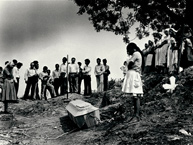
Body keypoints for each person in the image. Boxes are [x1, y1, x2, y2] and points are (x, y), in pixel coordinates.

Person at [122, 43, 144, 122]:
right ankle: (135, 114)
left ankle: (137, 115)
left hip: (134, 75)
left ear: (133, 49)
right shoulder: (135, 54)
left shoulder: (136, 53)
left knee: (136, 96)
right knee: (134, 96)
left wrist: (128, 64)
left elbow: (130, 63)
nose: (128, 52)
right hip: (133, 74)